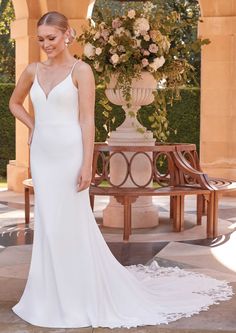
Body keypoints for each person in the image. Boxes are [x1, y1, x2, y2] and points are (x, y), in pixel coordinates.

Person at [9, 11, 233, 329]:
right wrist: (34, 126)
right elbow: (14, 103)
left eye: (52, 38)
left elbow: (87, 120)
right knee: (48, 224)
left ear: (67, 34)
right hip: (44, 157)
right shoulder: (32, 70)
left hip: (70, 155)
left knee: (70, 223)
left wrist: (87, 164)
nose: (46, 44)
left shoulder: (81, 71)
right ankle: (47, 295)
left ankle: (77, 296)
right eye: (41, 39)